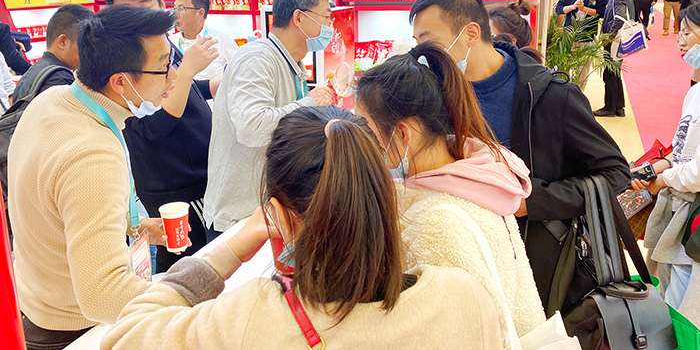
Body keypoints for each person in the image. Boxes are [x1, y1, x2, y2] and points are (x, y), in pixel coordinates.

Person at [101, 106, 503, 350]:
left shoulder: (252, 319)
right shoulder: (462, 298)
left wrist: (230, 249)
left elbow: (125, 337)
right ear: (384, 194)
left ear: (279, 214)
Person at [409, 0, 631, 309]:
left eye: (429, 41)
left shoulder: (550, 95)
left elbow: (615, 173)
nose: (422, 54)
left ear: (470, 33)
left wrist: (534, 201)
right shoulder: (434, 96)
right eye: (416, 43)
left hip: (540, 268)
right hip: (463, 262)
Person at [7, 6, 179, 349]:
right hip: (73, 331)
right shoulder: (93, 153)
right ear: (121, 82)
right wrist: (187, 302)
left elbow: (57, 204)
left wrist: (132, 225)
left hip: (35, 304)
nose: (173, 75)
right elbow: (103, 294)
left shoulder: (53, 100)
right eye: (163, 66)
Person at [355, 41, 545, 337]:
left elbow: (445, 332)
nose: (361, 140)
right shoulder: (482, 178)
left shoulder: (435, 222)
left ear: (403, 133)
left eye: (366, 129)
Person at [103, 0, 219, 272]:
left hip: (190, 171)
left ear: (160, 3)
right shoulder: (122, 57)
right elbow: (152, 127)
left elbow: (176, 89)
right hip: (175, 180)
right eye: (126, 9)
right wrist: (189, 70)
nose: (138, 17)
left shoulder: (159, 40)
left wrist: (211, 86)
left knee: (185, 251)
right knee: (190, 257)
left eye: (144, 6)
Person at [204, 0, 334, 240]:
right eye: (326, 17)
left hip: (266, 211)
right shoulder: (258, 58)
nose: (330, 27)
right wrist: (310, 103)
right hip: (238, 217)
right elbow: (251, 127)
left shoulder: (291, 62)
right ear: (300, 18)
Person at [631, 3, 700, 327]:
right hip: (677, 212)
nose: (680, 40)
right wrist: (655, 169)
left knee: (683, 313)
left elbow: (697, 172)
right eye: (679, 32)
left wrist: (663, 180)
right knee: (668, 295)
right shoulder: (694, 93)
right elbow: (683, 149)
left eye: (688, 32)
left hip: (693, 219)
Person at [13, 5, 95, 101]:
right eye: (85, 44)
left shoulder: (31, 73)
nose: (89, 51)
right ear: (63, 42)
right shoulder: (60, 80)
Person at [171, 0, 238, 86]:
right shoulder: (170, 42)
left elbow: (242, 70)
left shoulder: (221, 40)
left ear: (200, 13)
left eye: (181, 9)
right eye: (175, 8)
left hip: (211, 95)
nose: (175, 14)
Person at [593, 0, 634, 118]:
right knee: (615, 73)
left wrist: (609, 36)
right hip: (618, 40)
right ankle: (619, 107)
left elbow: (620, 18)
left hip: (615, 41)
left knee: (610, 74)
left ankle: (609, 107)